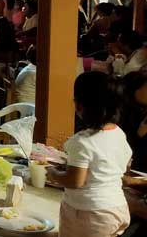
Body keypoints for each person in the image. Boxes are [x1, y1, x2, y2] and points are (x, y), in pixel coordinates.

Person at [47, 72, 131, 237]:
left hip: (89, 213)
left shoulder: (81, 142)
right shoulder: (119, 133)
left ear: (78, 105)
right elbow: (121, 163)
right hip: (117, 207)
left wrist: (53, 173)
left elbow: (74, 181)